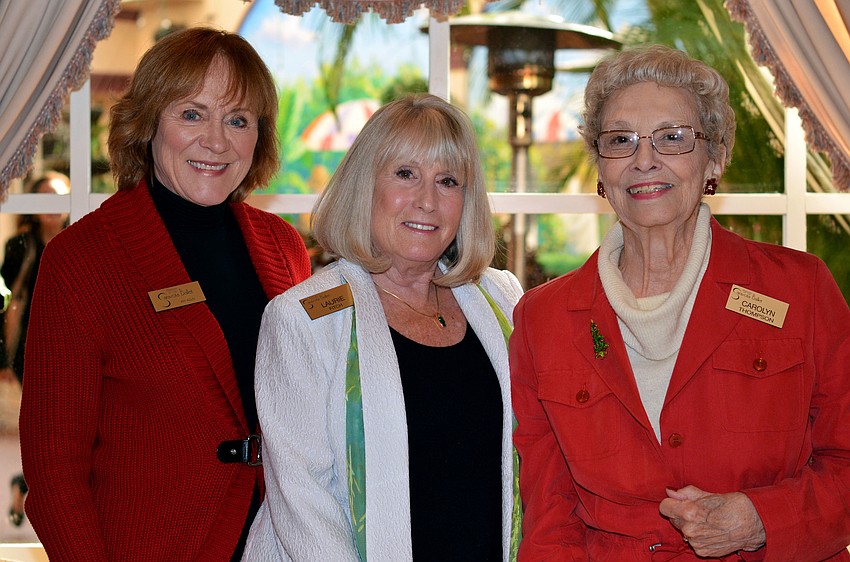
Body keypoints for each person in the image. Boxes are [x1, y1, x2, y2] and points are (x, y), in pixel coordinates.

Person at [511, 45, 850, 561]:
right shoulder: (543, 319)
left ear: (714, 158)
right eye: (621, 140)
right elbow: (550, 517)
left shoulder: (798, 290)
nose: (644, 160)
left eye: (673, 138)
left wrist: (762, 520)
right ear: (600, 168)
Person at [18, 27, 311, 560]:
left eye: (238, 120)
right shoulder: (82, 260)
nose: (217, 141)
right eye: (192, 114)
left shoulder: (284, 248)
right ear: (148, 122)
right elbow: (54, 472)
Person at [243, 93, 524, 561]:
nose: (428, 201)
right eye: (405, 174)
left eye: (448, 181)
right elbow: (304, 505)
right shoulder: (303, 319)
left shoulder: (501, 300)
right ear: (364, 185)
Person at [0, 172, 70, 527]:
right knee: (48, 429)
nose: (52, 207)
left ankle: (25, 484)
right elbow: (6, 303)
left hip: (73, 348)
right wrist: (4, 358)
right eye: (44, 198)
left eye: (59, 198)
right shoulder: (20, 246)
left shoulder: (79, 242)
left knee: (64, 431)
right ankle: (35, 491)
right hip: (30, 350)